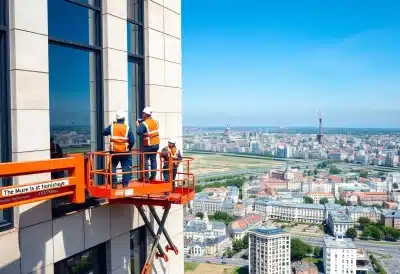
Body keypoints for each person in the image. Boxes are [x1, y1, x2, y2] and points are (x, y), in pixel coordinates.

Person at [103, 111, 135, 188]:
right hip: (124, 152)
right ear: (124, 118)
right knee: (126, 168)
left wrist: (111, 125)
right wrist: (129, 147)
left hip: (114, 152)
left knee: (113, 166)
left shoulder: (112, 127)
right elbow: (132, 140)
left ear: (117, 119)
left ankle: (114, 183)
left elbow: (104, 132)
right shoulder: (127, 128)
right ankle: (125, 185)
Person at [136, 107, 160, 181]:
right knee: (153, 160)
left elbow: (138, 132)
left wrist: (138, 125)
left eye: (143, 114)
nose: (142, 115)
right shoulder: (155, 121)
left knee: (145, 160)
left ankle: (146, 177)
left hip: (148, 145)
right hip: (156, 144)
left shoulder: (144, 124)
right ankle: (153, 176)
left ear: (145, 114)